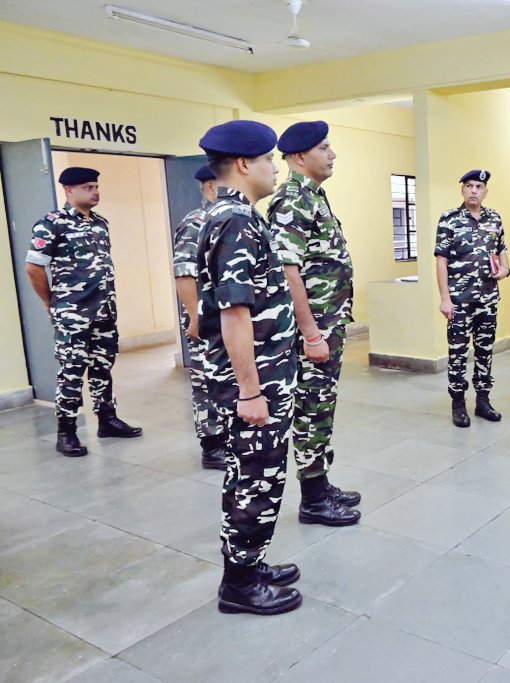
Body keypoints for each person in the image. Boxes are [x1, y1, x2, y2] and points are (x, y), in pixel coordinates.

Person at [195, 120, 301, 615]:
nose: (274, 168)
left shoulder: (236, 216)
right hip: (256, 383)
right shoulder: (235, 221)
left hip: (265, 375)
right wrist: (251, 392)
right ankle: (239, 586)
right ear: (244, 164)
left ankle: (249, 563)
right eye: (268, 160)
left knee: (253, 473)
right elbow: (234, 312)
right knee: (256, 476)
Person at [267, 120, 360, 527]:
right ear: (301, 157)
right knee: (311, 410)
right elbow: (288, 272)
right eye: (325, 148)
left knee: (321, 408)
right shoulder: (292, 201)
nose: (332, 154)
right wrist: (310, 333)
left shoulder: (314, 197)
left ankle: (320, 484)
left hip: (327, 325)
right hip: (314, 331)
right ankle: (312, 500)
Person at [25, 167, 142, 457]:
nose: (96, 191)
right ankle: (66, 433)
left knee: (103, 367)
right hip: (72, 313)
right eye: (89, 187)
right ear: (69, 190)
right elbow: (34, 267)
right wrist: (49, 301)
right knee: (72, 372)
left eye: (96, 186)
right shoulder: (51, 224)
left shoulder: (101, 223)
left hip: (103, 311)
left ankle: (107, 420)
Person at [434, 169, 510, 428]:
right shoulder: (449, 219)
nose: (474, 190)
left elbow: (502, 253)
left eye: (479, 186)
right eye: (469, 186)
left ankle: (483, 401)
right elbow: (441, 261)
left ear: (485, 191)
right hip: (459, 301)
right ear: (462, 190)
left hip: (488, 298)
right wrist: (445, 298)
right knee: (457, 353)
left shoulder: (495, 219)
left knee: (485, 351)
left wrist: (505, 270)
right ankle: (458, 404)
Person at [172, 164, 227, 470]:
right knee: (206, 382)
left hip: (226, 319)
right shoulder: (196, 222)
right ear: (209, 188)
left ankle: (227, 436)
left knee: (224, 379)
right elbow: (184, 275)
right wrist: (195, 319)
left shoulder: (227, 218)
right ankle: (212, 445)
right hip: (205, 319)